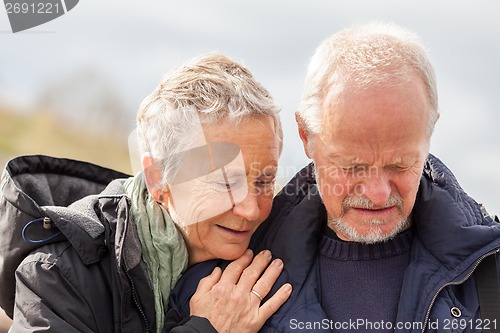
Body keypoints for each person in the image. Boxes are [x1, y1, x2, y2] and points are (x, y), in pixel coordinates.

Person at [168, 22, 500, 332]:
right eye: (352, 166)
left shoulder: (490, 271)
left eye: (399, 165)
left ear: (430, 132)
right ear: (305, 135)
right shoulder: (214, 293)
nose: (378, 194)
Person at [0, 53, 292, 333]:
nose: (251, 210)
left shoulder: (283, 249)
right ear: (157, 178)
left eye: (265, 182)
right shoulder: (56, 275)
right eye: (226, 184)